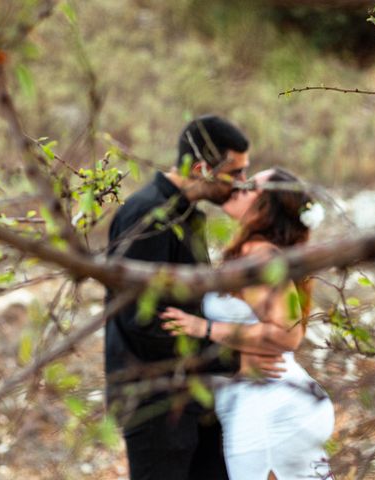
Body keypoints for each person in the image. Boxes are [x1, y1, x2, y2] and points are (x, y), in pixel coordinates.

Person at [105, 115, 284, 480]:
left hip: (196, 398)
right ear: (202, 168)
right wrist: (232, 360)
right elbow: (144, 325)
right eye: (236, 172)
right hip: (154, 402)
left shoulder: (190, 218)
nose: (242, 182)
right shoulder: (148, 214)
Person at [160, 168, 334, 480]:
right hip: (266, 401)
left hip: (268, 408)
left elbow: (288, 333)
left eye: (251, 186)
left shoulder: (260, 256)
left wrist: (206, 329)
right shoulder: (258, 251)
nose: (239, 186)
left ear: (267, 206)